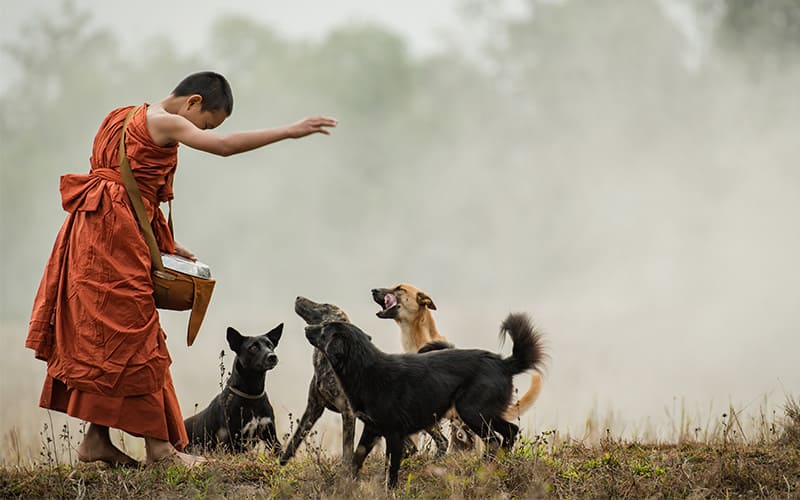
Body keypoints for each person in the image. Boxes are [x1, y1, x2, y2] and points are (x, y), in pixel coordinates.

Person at [25, 71, 337, 467]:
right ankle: (161, 451)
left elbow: (126, 192)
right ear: (192, 102)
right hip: (112, 245)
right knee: (139, 343)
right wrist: (290, 131)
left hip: (90, 239)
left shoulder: (120, 116)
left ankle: (96, 440)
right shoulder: (165, 120)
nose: (201, 132)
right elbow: (222, 148)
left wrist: (163, 245)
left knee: (106, 343)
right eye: (205, 123)